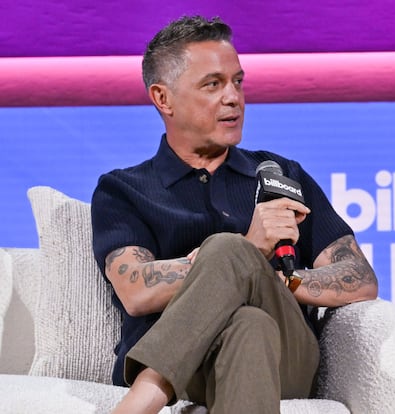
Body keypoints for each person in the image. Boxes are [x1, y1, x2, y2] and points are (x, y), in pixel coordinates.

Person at [91, 15, 378, 414]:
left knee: (231, 255)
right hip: (192, 367)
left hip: (286, 359)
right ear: (163, 98)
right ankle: (158, 378)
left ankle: (147, 392)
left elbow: (361, 278)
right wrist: (245, 250)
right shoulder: (124, 189)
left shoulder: (283, 175)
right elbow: (137, 291)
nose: (234, 98)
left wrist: (276, 278)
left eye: (238, 82)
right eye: (213, 84)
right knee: (248, 323)